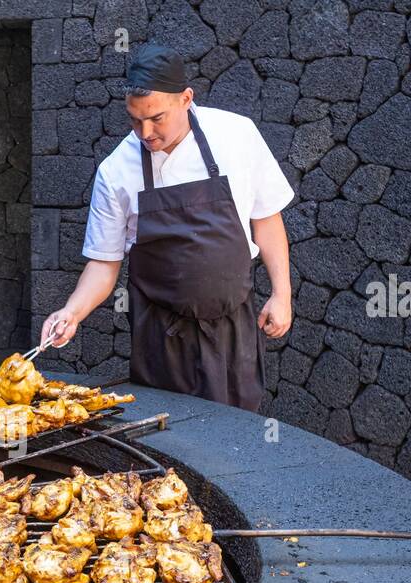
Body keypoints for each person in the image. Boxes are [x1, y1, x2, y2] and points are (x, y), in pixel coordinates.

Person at [40, 43, 295, 411]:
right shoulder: (116, 171)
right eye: (134, 119)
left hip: (233, 329)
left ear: (186, 98)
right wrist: (71, 313)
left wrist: (281, 294)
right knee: (171, 446)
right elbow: (104, 263)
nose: (145, 132)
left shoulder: (237, 136)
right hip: (160, 337)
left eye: (156, 118)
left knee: (237, 442)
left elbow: (267, 219)